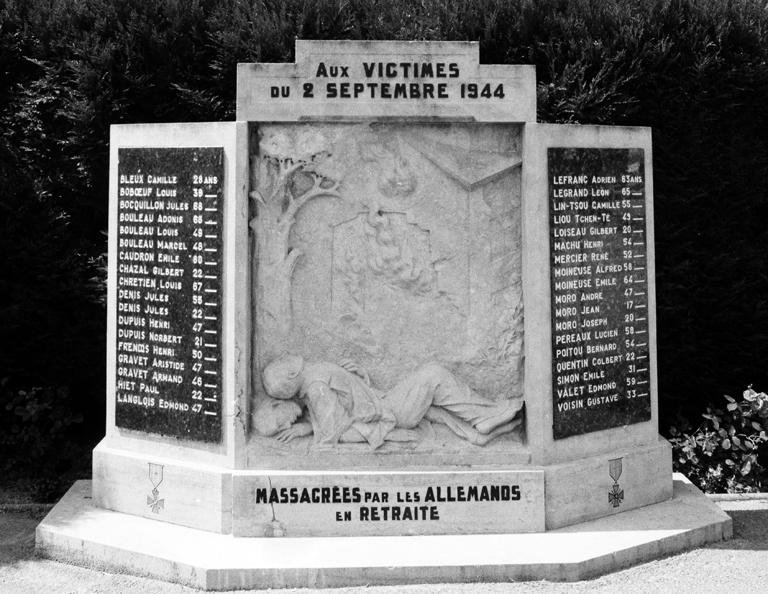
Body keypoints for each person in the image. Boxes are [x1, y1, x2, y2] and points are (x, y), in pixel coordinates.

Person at [254, 353, 523, 449]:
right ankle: (483, 417)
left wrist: (358, 378)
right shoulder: (315, 384)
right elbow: (335, 430)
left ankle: (479, 431)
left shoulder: (315, 382)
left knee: (432, 388)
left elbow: (340, 412)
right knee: (433, 375)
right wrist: (308, 428)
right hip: (391, 412)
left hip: (386, 404)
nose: (287, 424)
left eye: (281, 421)